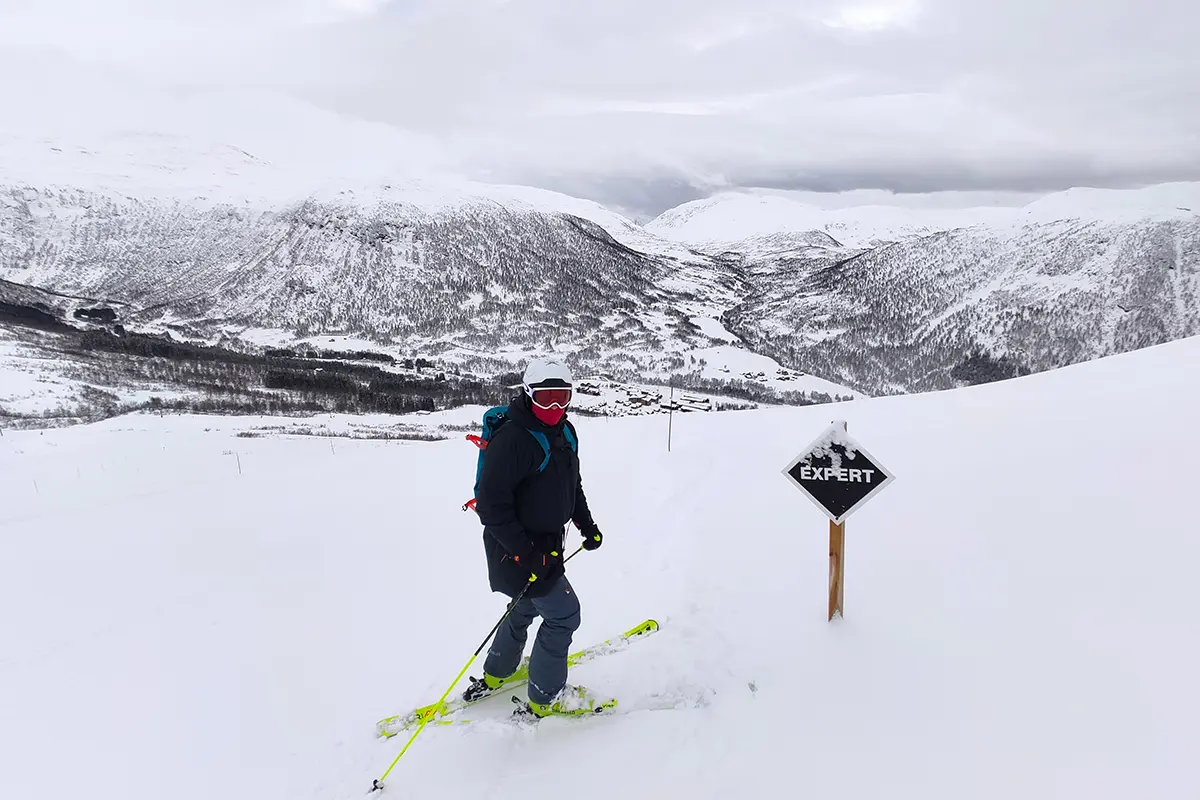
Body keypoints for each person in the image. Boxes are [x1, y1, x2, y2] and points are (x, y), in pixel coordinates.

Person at [466, 358, 608, 718]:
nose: (556, 406)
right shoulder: (513, 440)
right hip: (513, 548)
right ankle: (547, 697)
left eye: (563, 396)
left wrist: (586, 524)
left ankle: (497, 674)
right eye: (547, 398)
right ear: (528, 394)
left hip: (545, 546)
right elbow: (491, 507)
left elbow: (571, 486)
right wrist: (527, 555)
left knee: (525, 606)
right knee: (564, 616)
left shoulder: (565, 432)